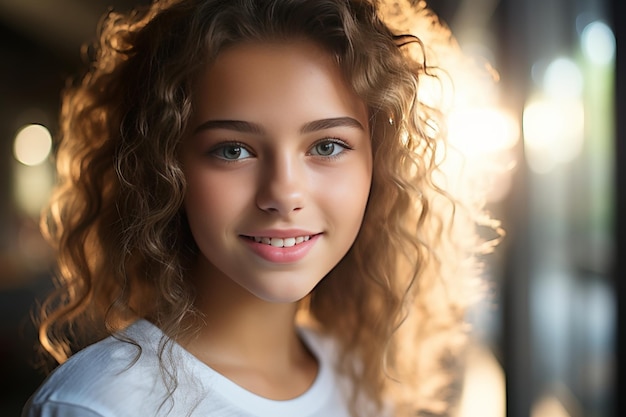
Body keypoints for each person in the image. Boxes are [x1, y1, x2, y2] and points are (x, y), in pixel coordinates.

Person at [23, 0, 498, 416]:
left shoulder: (365, 385)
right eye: (233, 150)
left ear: (382, 161)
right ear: (163, 168)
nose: (284, 193)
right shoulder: (100, 406)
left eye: (328, 146)